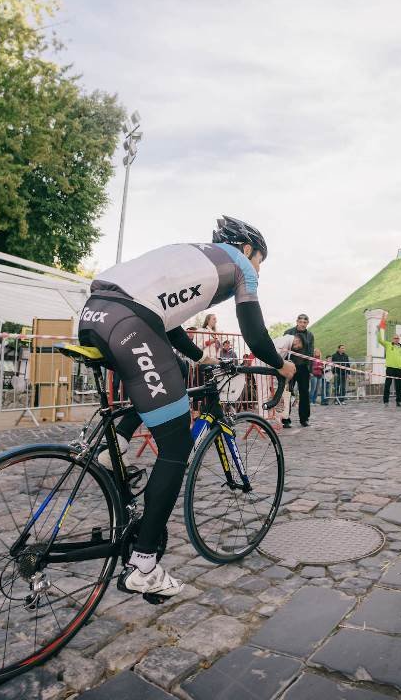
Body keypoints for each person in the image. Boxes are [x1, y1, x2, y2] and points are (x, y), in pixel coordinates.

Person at [77, 216, 296, 599]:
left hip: (95, 313)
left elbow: (167, 320)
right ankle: (144, 566)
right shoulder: (240, 264)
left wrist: (198, 358)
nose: (258, 269)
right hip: (130, 321)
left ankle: (118, 446)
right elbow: (256, 334)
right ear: (248, 250)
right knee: (175, 445)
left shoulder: (189, 256)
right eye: (261, 260)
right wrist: (281, 365)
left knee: (172, 372)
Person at [284, 314, 315, 427]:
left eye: (304, 322)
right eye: (300, 321)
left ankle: (304, 419)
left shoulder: (310, 335)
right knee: (287, 393)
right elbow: (284, 349)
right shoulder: (288, 332)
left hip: (303, 368)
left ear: (307, 323)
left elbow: (311, 353)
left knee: (304, 393)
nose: (302, 324)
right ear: (297, 321)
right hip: (289, 366)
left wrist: (310, 370)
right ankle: (285, 419)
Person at [377, 320, 401, 406]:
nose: (396, 339)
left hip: (399, 369)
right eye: (395, 338)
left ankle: (398, 402)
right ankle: (386, 401)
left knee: (398, 387)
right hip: (390, 369)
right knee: (387, 385)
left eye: (397, 338)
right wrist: (379, 330)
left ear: (399, 339)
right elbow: (380, 340)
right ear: (392, 339)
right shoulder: (388, 344)